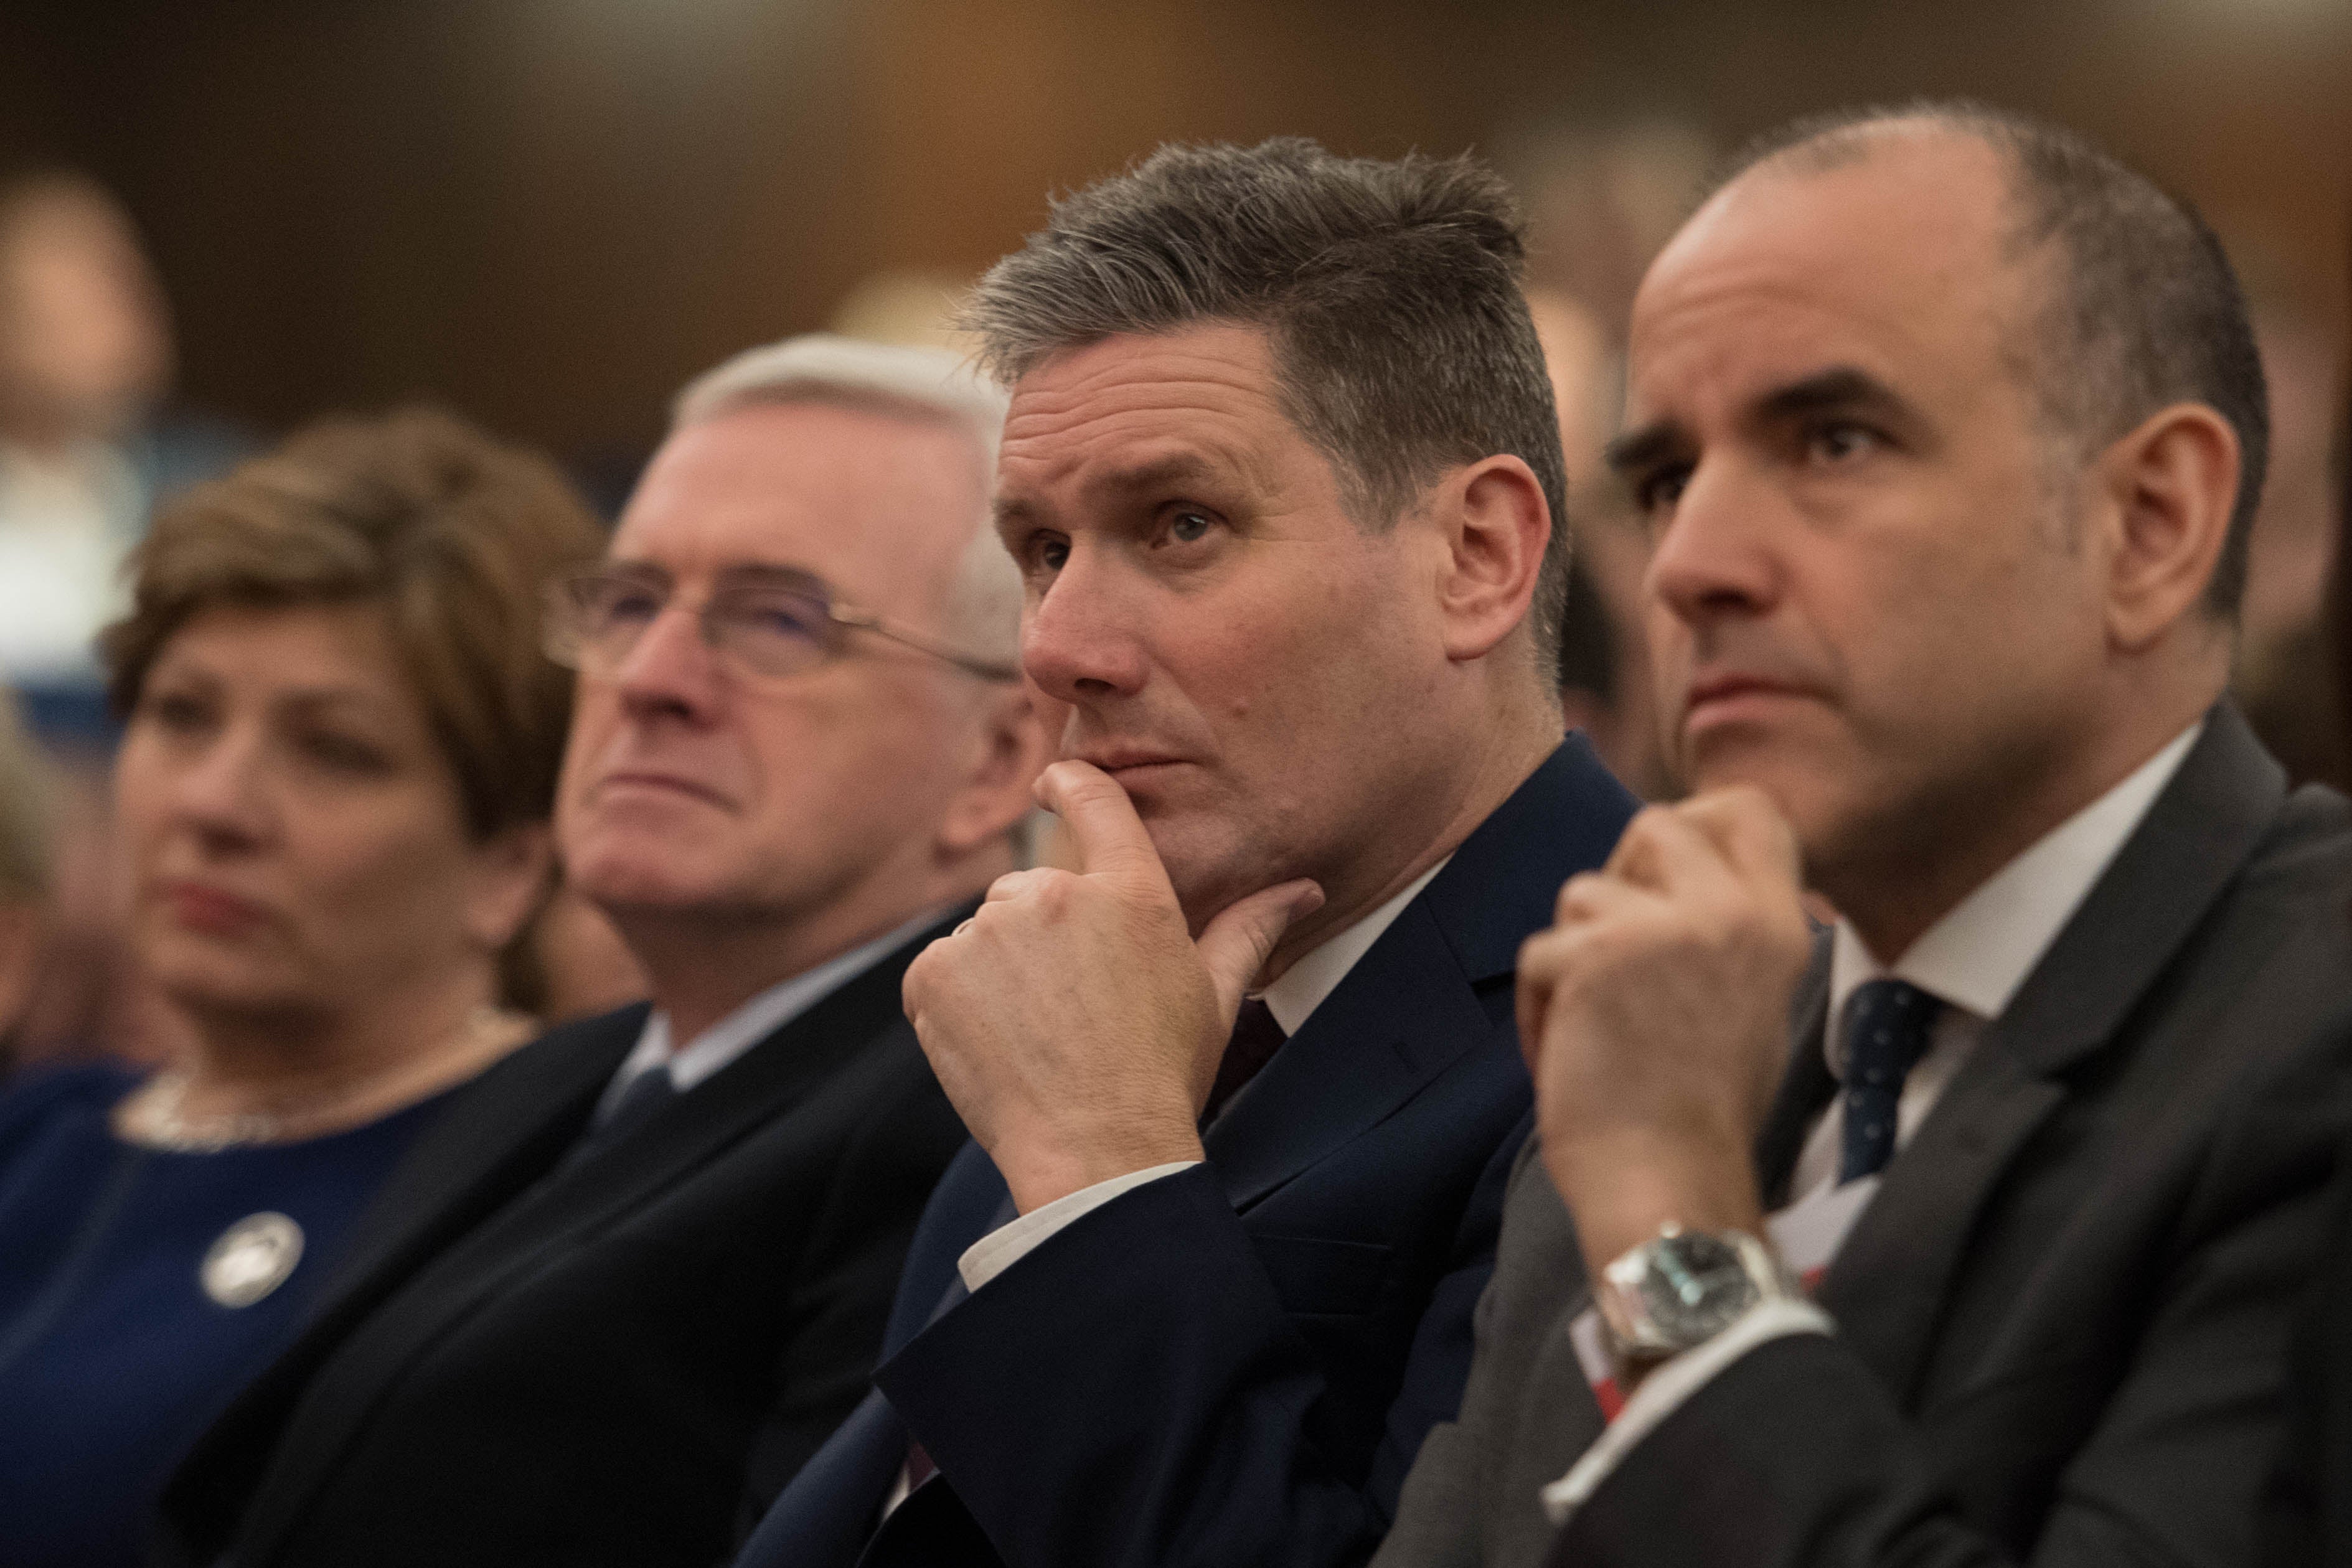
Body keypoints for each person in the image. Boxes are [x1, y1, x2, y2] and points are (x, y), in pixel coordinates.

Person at [1371, 101, 2352, 1568]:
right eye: (1661, 482)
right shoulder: (1686, 1022)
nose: (1689, 564)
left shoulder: (2308, 1032)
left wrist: (1669, 1240)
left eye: (1830, 441)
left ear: (2150, 522)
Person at [736, 138, 1640, 1568]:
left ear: (1476, 554)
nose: (1056, 646)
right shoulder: (1083, 989)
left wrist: (1104, 1173)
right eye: (1040, 548)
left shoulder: (1657, 1013)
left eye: (1180, 524)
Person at [158, 336, 1049, 1568]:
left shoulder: (976, 1120)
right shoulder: (554, 1077)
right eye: (628, 601)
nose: (652, 677)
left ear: (997, 760)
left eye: (777, 619)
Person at [0, 408, 600, 1567]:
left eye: (332, 750)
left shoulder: (554, 1185)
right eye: (182, 715)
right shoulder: (37, 1132)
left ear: (511, 862)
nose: (214, 805)